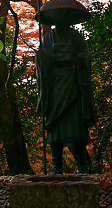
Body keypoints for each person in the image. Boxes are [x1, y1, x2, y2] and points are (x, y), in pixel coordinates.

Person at [36, 21, 96, 174]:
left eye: (64, 17)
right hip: (54, 87)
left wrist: (78, 58)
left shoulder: (76, 36)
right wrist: (42, 57)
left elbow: (86, 55)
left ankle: (81, 164)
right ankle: (57, 166)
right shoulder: (48, 38)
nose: (61, 19)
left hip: (74, 82)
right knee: (55, 125)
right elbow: (43, 59)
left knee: (77, 125)